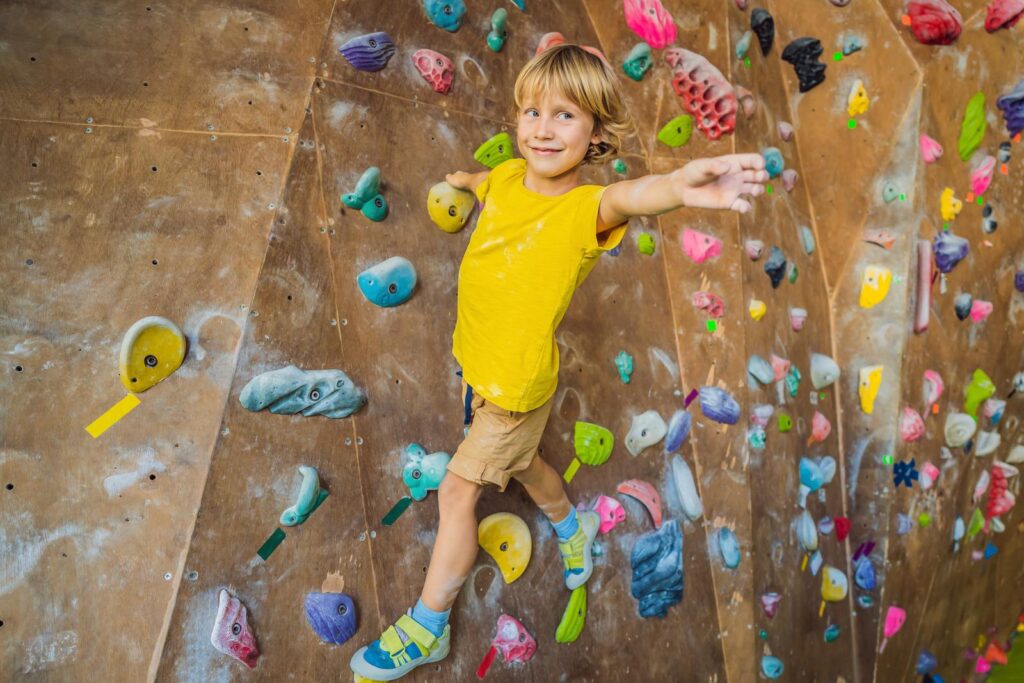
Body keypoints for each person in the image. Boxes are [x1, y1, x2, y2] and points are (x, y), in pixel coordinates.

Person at [350, 43, 767, 681]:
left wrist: (679, 186)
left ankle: (428, 626)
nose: (543, 129)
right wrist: (462, 183)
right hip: (480, 368)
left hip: (513, 387)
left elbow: (632, 197)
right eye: (532, 112)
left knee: (459, 490)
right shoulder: (512, 177)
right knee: (525, 464)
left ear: (596, 133)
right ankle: (570, 526)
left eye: (565, 116)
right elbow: (489, 183)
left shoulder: (582, 211)